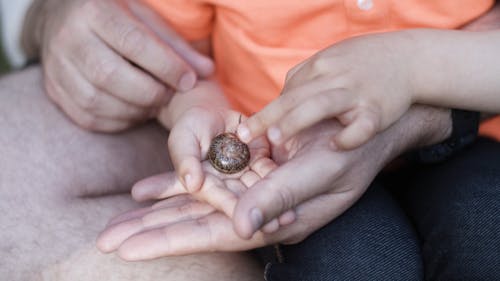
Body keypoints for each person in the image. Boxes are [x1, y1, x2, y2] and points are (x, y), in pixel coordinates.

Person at [0, 1, 499, 281]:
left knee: (484, 235)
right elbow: (181, 42)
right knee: (354, 264)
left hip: (471, 124)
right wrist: (192, 105)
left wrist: (413, 68)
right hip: (280, 148)